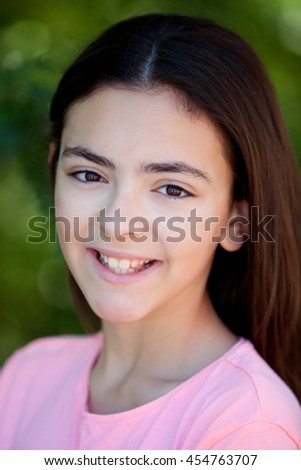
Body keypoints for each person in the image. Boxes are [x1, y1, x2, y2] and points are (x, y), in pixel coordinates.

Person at [0, 13, 301, 450]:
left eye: (173, 189)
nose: (119, 222)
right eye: (88, 175)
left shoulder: (247, 430)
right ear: (53, 172)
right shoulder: (29, 377)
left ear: (238, 220)